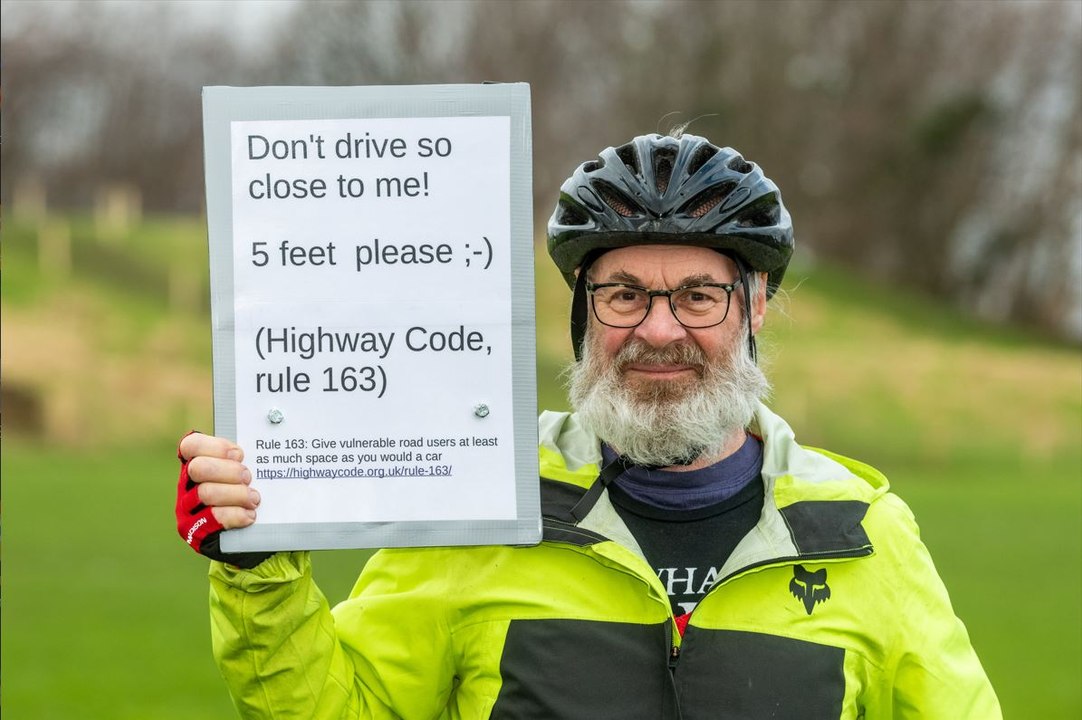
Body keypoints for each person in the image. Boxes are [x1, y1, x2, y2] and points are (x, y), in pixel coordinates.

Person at [176, 133, 1001, 718]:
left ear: (753, 310)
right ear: (582, 314)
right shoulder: (485, 503)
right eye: (625, 293)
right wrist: (259, 570)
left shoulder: (864, 534)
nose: (660, 330)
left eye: (698, 296)